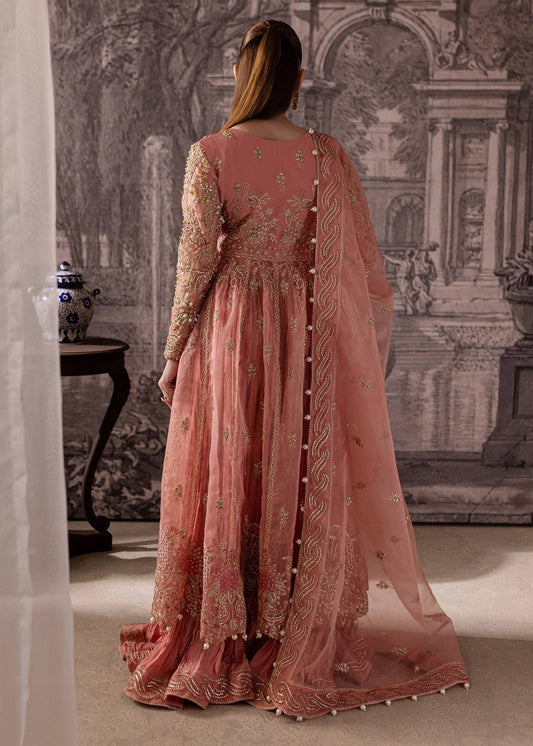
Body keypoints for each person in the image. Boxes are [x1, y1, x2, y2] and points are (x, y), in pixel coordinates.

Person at [119, 18, 470, 720]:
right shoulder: (325, 156)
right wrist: (358, 349)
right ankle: (288, 622)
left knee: (229, 463)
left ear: (242, 74)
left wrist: (173, 352)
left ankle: (221, 631)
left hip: (228, 328)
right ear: (298, 79)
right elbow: (363, 264)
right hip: (304, 331)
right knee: (290, 460)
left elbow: (196, 264)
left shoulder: (210, 153)